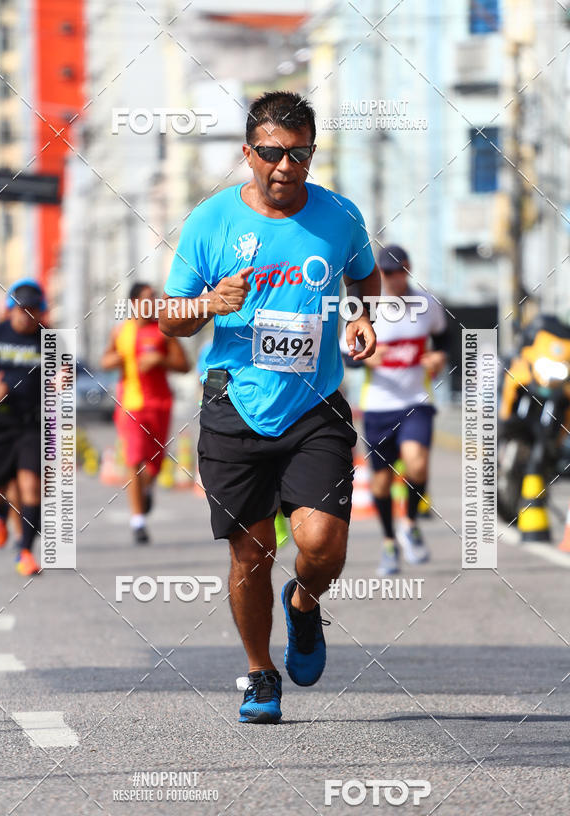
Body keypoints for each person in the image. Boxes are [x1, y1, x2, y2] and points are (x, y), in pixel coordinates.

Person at [159, 91, 379, 724]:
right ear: (248, 153)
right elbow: (170, 317)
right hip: (235, 405)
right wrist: (209, 304)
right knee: (250, 554)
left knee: (323, 543)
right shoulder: (210, 221)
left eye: (300, 153)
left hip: (315, 406)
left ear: (312, 152)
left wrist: (361, 314)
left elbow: (364, 274)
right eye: (273, 153)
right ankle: (260, 674)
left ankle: (305, 604)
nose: (286, 166)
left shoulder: (340, 215)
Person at [357, 244, 448, 575]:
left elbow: (445, 336)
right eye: (388, 273)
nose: (395, 279)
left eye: (400, 271)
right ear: (380, 273)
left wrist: (440, 356)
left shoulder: (427, 302)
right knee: (380, 485)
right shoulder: (366, 307)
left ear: (408, 269)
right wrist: (365, 357)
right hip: (379, 406)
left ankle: (409, 523)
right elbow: (343, 356)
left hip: (415, 402)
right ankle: (389, 543)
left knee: (417, 464)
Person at [101, 281, 190, 543]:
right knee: (134, 459)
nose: (154, 303)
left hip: (160, 405)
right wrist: (121, 358)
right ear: (134, 303)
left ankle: (147, 490)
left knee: (153, 466)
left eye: (156, 298)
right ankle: (138, 521)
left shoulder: (163, 332)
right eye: (148, 298)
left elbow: (184, 364)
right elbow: (105, 360)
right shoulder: (121, 332)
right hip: (130, 405)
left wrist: (160, 360)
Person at [0, 279, 45, 575]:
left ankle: (25, 550)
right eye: (21, 310)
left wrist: (62, 379)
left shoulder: (50, 339)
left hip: (32, 424)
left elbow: (67, 370)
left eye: (33, 310)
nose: (26, 316)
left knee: (31, 487)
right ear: (10, 310)